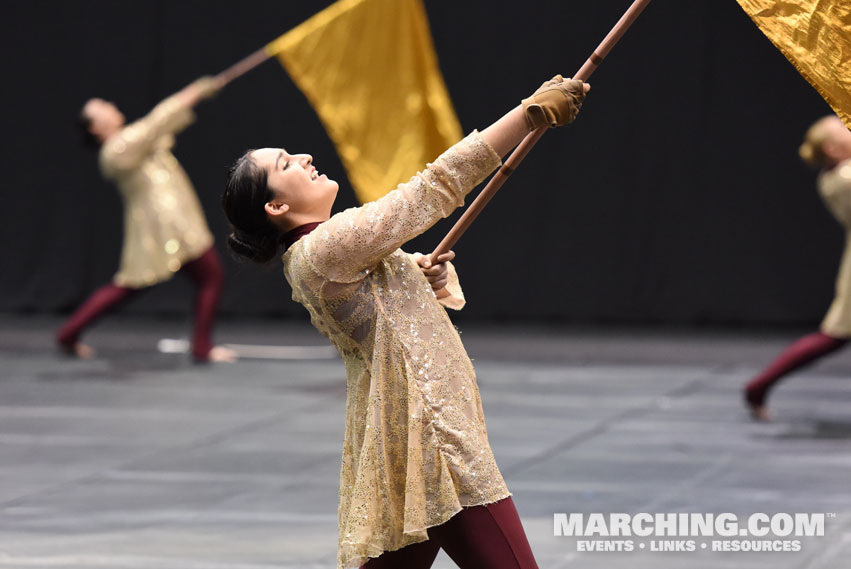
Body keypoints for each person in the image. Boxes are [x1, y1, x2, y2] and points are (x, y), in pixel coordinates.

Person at [221, 75, 588, 568]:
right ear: (276, 207)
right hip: (435, 437)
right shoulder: (324, 248)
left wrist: (418, 275)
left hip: (410, 438)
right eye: (286, 164)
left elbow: (389, 310)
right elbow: (433, 188)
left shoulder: (322, 256)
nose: (304, 158)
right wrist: (527, 116)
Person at [57, 78, 236, 363]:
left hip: (169, 221)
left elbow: (159, 130)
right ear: (95, 128)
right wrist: (193, 92)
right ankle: (202, 348)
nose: (110, 105)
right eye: (101, 107)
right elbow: (157, 123)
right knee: (208, 277)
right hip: (167, 224)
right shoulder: (115, 150)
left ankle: (69, 333)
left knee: (133, 286)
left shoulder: (130, 142)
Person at [744, 114, 851, 420]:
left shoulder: (837, 176)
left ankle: (759, 386)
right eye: (844, 128)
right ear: (832, 148)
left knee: (833, 338)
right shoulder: (843, 179)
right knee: (832, 338)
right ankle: (759, 386)